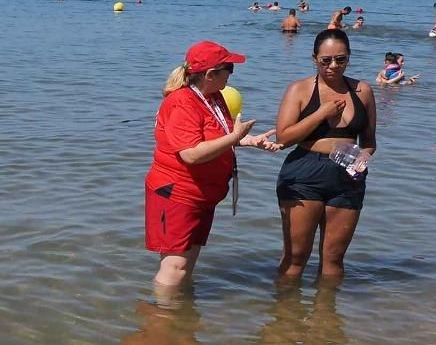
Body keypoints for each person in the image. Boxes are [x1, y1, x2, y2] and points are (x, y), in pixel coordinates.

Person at [144, 40, 281, 295]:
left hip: (201, 193)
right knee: (175, 266)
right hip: (176, 192)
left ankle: (180, 312)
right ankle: (162, 316)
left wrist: (249, 140)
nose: (231, 74)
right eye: (229, 68)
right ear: (209, 74)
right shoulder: (181, 102)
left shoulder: (213, 97)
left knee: (188, 262)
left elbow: (217, 137)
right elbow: (190, 154)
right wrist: (234, 136)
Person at [274, 29, 377, 280]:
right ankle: (284, 306)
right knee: (296, 257)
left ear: (349, 57)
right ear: (314, 59)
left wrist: (363, 157)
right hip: (304, 172)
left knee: (334, 259)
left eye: (340, 59)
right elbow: (283, 138)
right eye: (326, 60)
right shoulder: (299, 89)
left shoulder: (362, 91)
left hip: (347, 174)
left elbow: (369, 142)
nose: (333, 66)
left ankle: (327, 306)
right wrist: (321, 114)